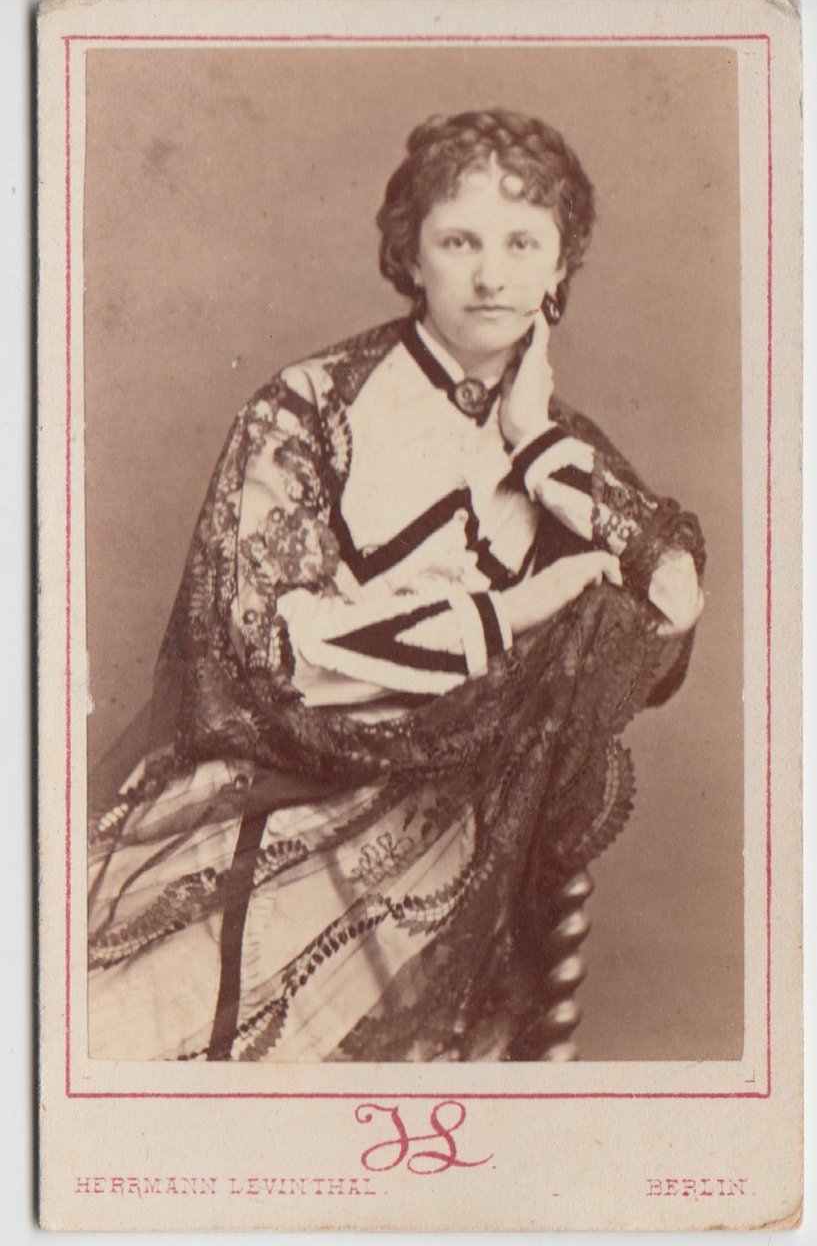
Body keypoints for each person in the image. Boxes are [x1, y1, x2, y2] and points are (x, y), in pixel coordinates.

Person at [88, 109, 705, 1063]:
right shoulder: (307, 407)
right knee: (134, 1024)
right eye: (459, 242)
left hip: (458, 822)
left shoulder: (564, 449)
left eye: (522, 244)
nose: (491, 276)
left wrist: (536, 444)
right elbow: (273, 651)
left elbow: (670, 600)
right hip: (272, 789)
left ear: (559, 267)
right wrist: (500, 616)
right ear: (411, 255)